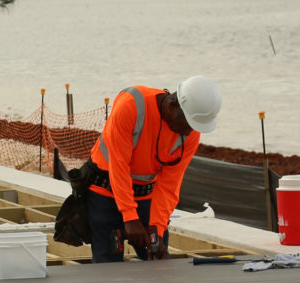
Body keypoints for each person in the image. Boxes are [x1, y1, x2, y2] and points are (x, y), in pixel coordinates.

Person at [80, 77, 221, 262]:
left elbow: (169, 185)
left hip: (146, 197)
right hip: (105, 193)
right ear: (173, 107)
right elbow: (119, 165)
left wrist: (157, 229)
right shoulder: (132, 105)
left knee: (158, 258)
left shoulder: (190, 134)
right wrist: (130, 218)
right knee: (108, 265)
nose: (189, 132)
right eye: (187, 125)